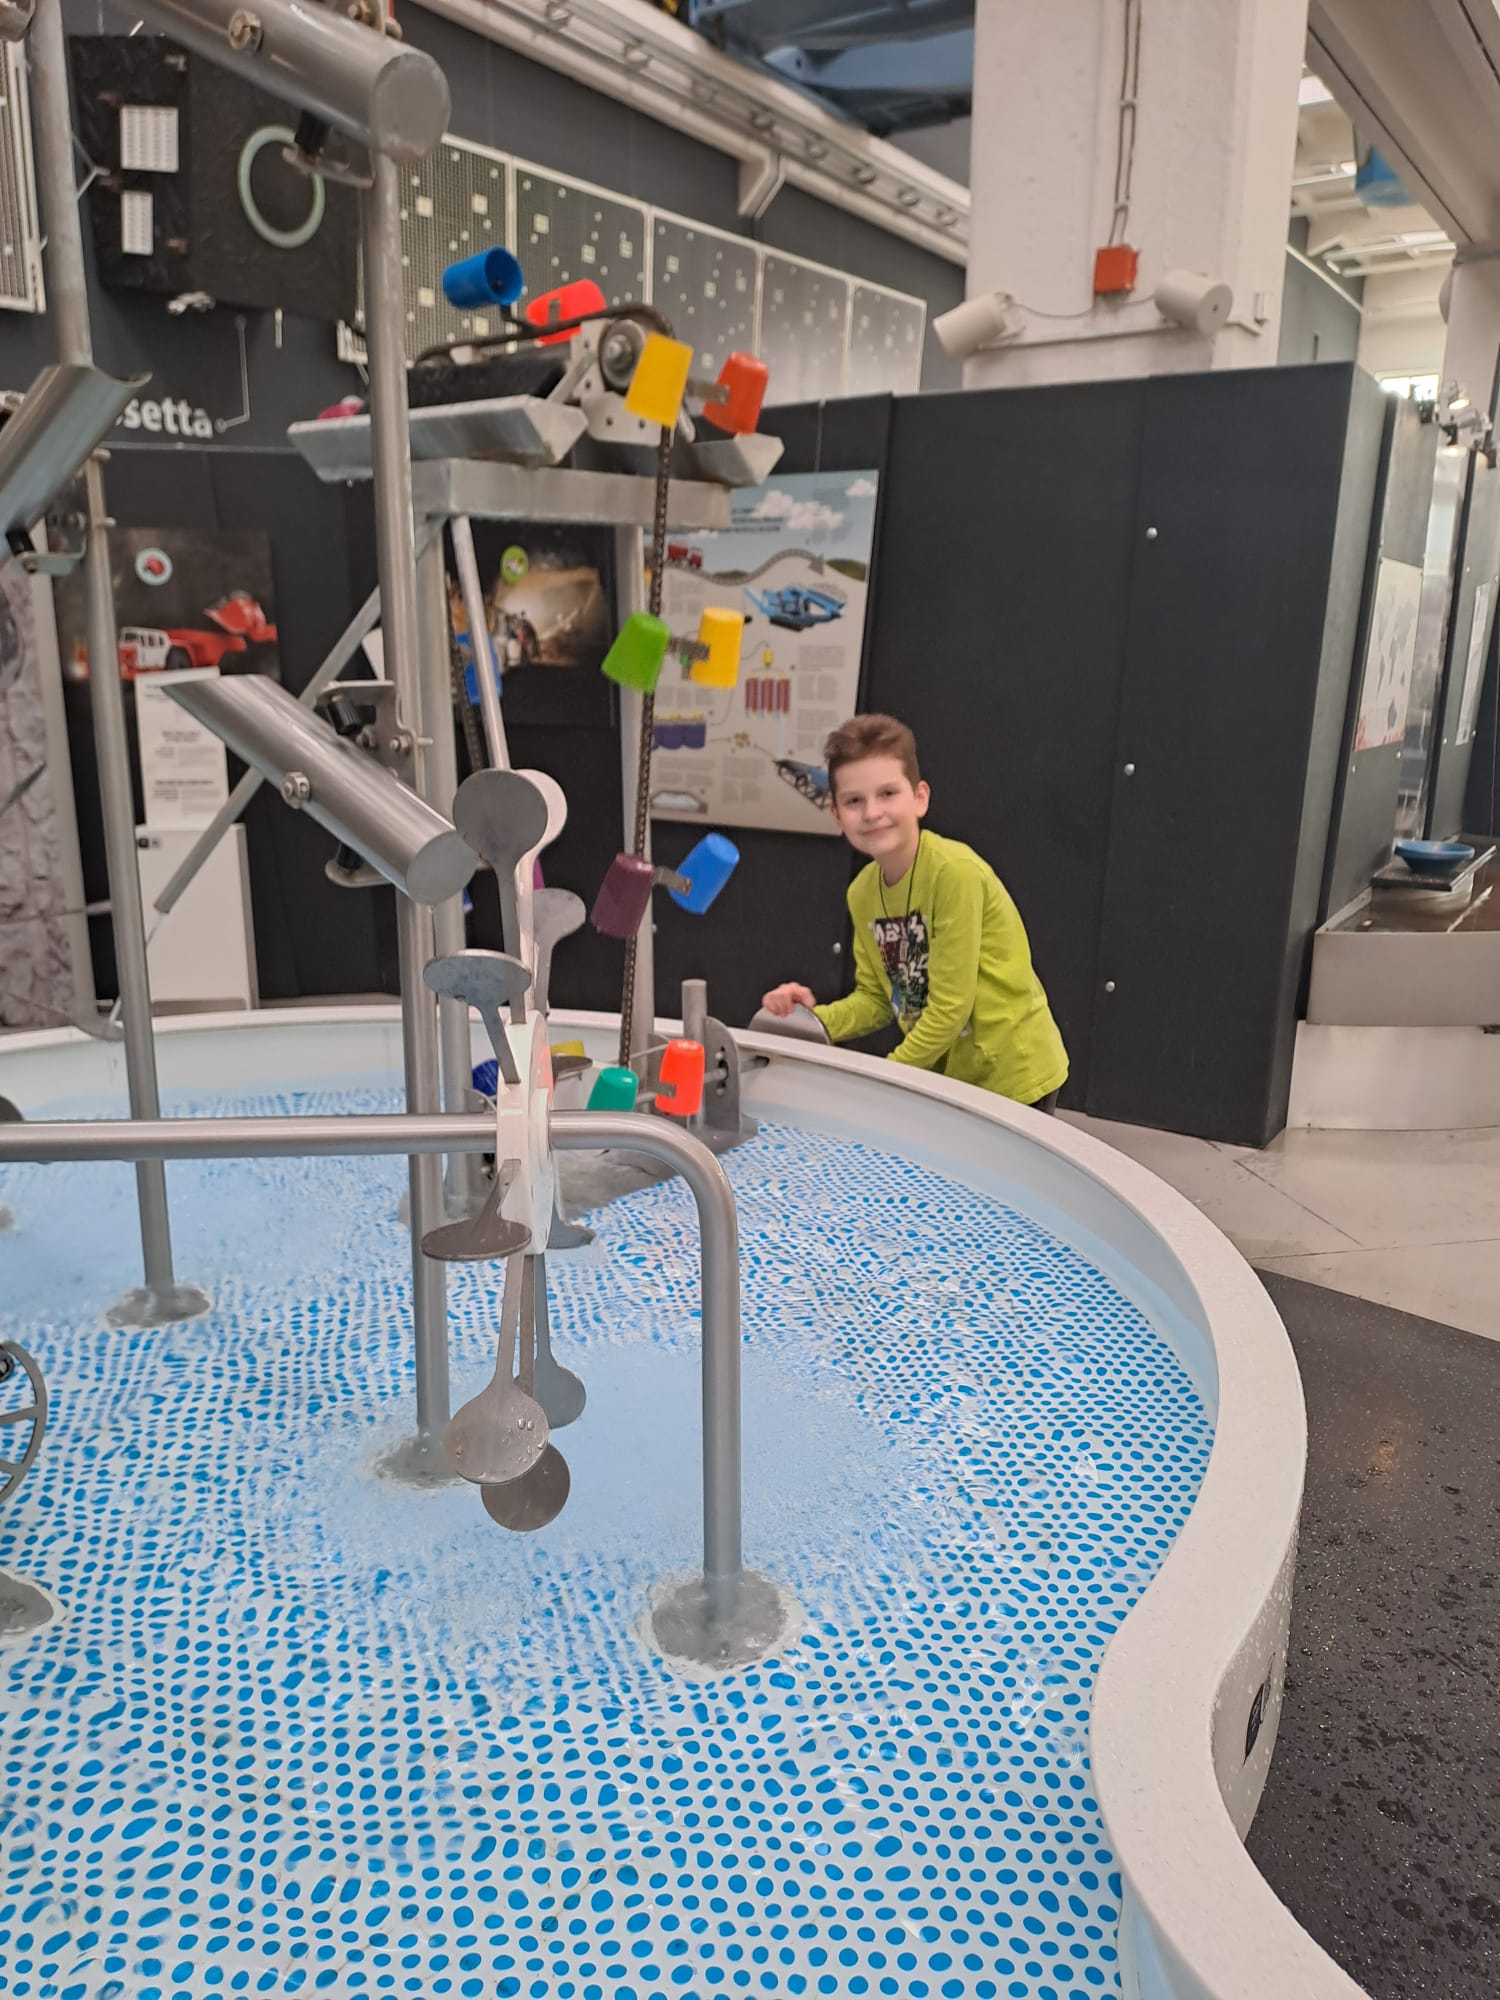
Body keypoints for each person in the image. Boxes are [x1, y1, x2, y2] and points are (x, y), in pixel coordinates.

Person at [761, 713, 1069, 1112]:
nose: (872, 812)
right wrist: (809, 1021)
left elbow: (950, 1009)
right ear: (837, 814)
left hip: (1014, 1077)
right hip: (951, 1079)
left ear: (920, 798)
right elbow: (877, 998)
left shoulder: (954, 873)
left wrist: (886, 1080)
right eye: (854, 801)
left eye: (888, 793)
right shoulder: (862, 893)